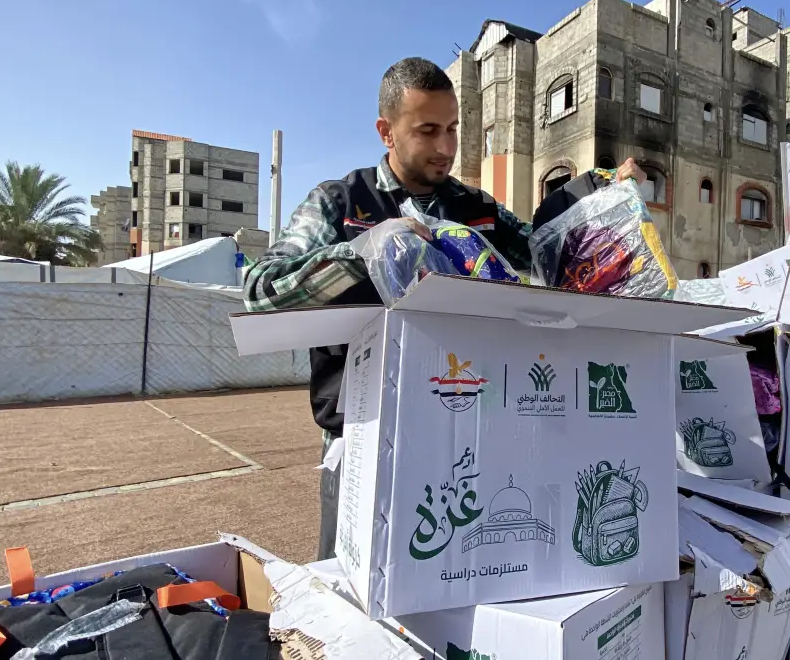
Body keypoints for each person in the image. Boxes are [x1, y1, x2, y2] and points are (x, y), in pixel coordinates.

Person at [243, 56, 646, 560]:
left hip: (470, 443)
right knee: (351, 591)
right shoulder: (340, 204)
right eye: (427, 130)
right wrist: (360, 252)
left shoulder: (474, 209)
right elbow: (260, 290)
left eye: (453, 129)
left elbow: (548, 248)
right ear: (386, 132)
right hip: (366, 443)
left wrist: (599, 192)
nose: (446, 148)